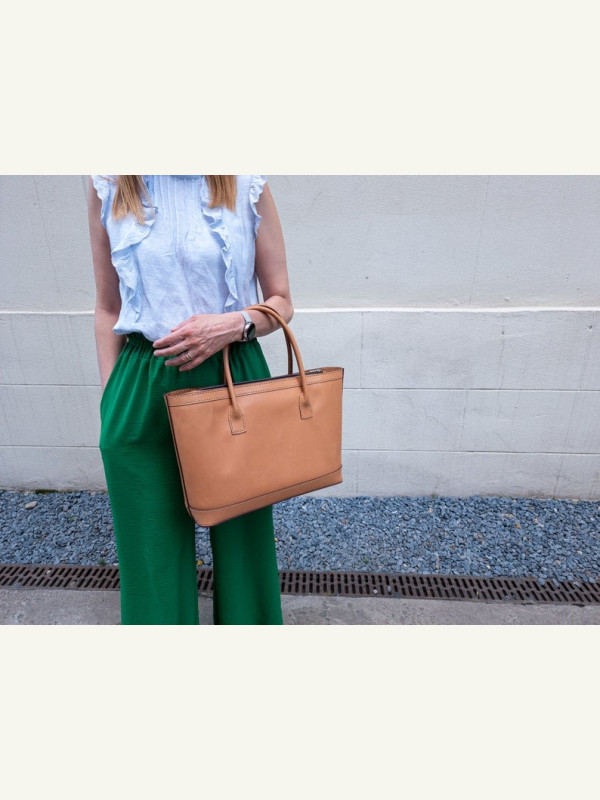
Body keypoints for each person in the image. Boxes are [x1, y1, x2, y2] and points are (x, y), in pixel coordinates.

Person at [87, 175, 293, 625]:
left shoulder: (245, 181)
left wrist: (233, 323)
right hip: (141, 380)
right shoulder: (110, 183)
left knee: (245, 545)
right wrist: (111, 400)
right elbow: (108, 307)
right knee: (150, 554)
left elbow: (281, 301)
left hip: (232, 373)